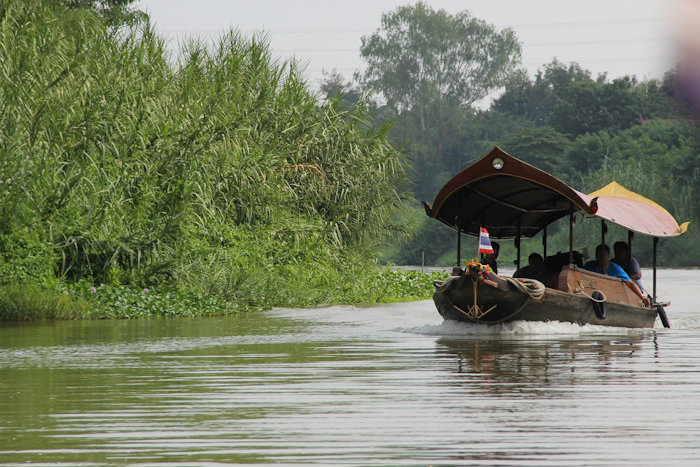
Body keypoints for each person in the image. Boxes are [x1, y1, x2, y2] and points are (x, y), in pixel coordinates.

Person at [583, 244, 650, 307]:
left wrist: (642, 296)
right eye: (599, 254)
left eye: (604, 255)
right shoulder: (589, 266)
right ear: (595, 256)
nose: (601, 257)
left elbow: (630, 283)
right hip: (591, 295)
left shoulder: (615, 268)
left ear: (608, 256)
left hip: (610, 296)